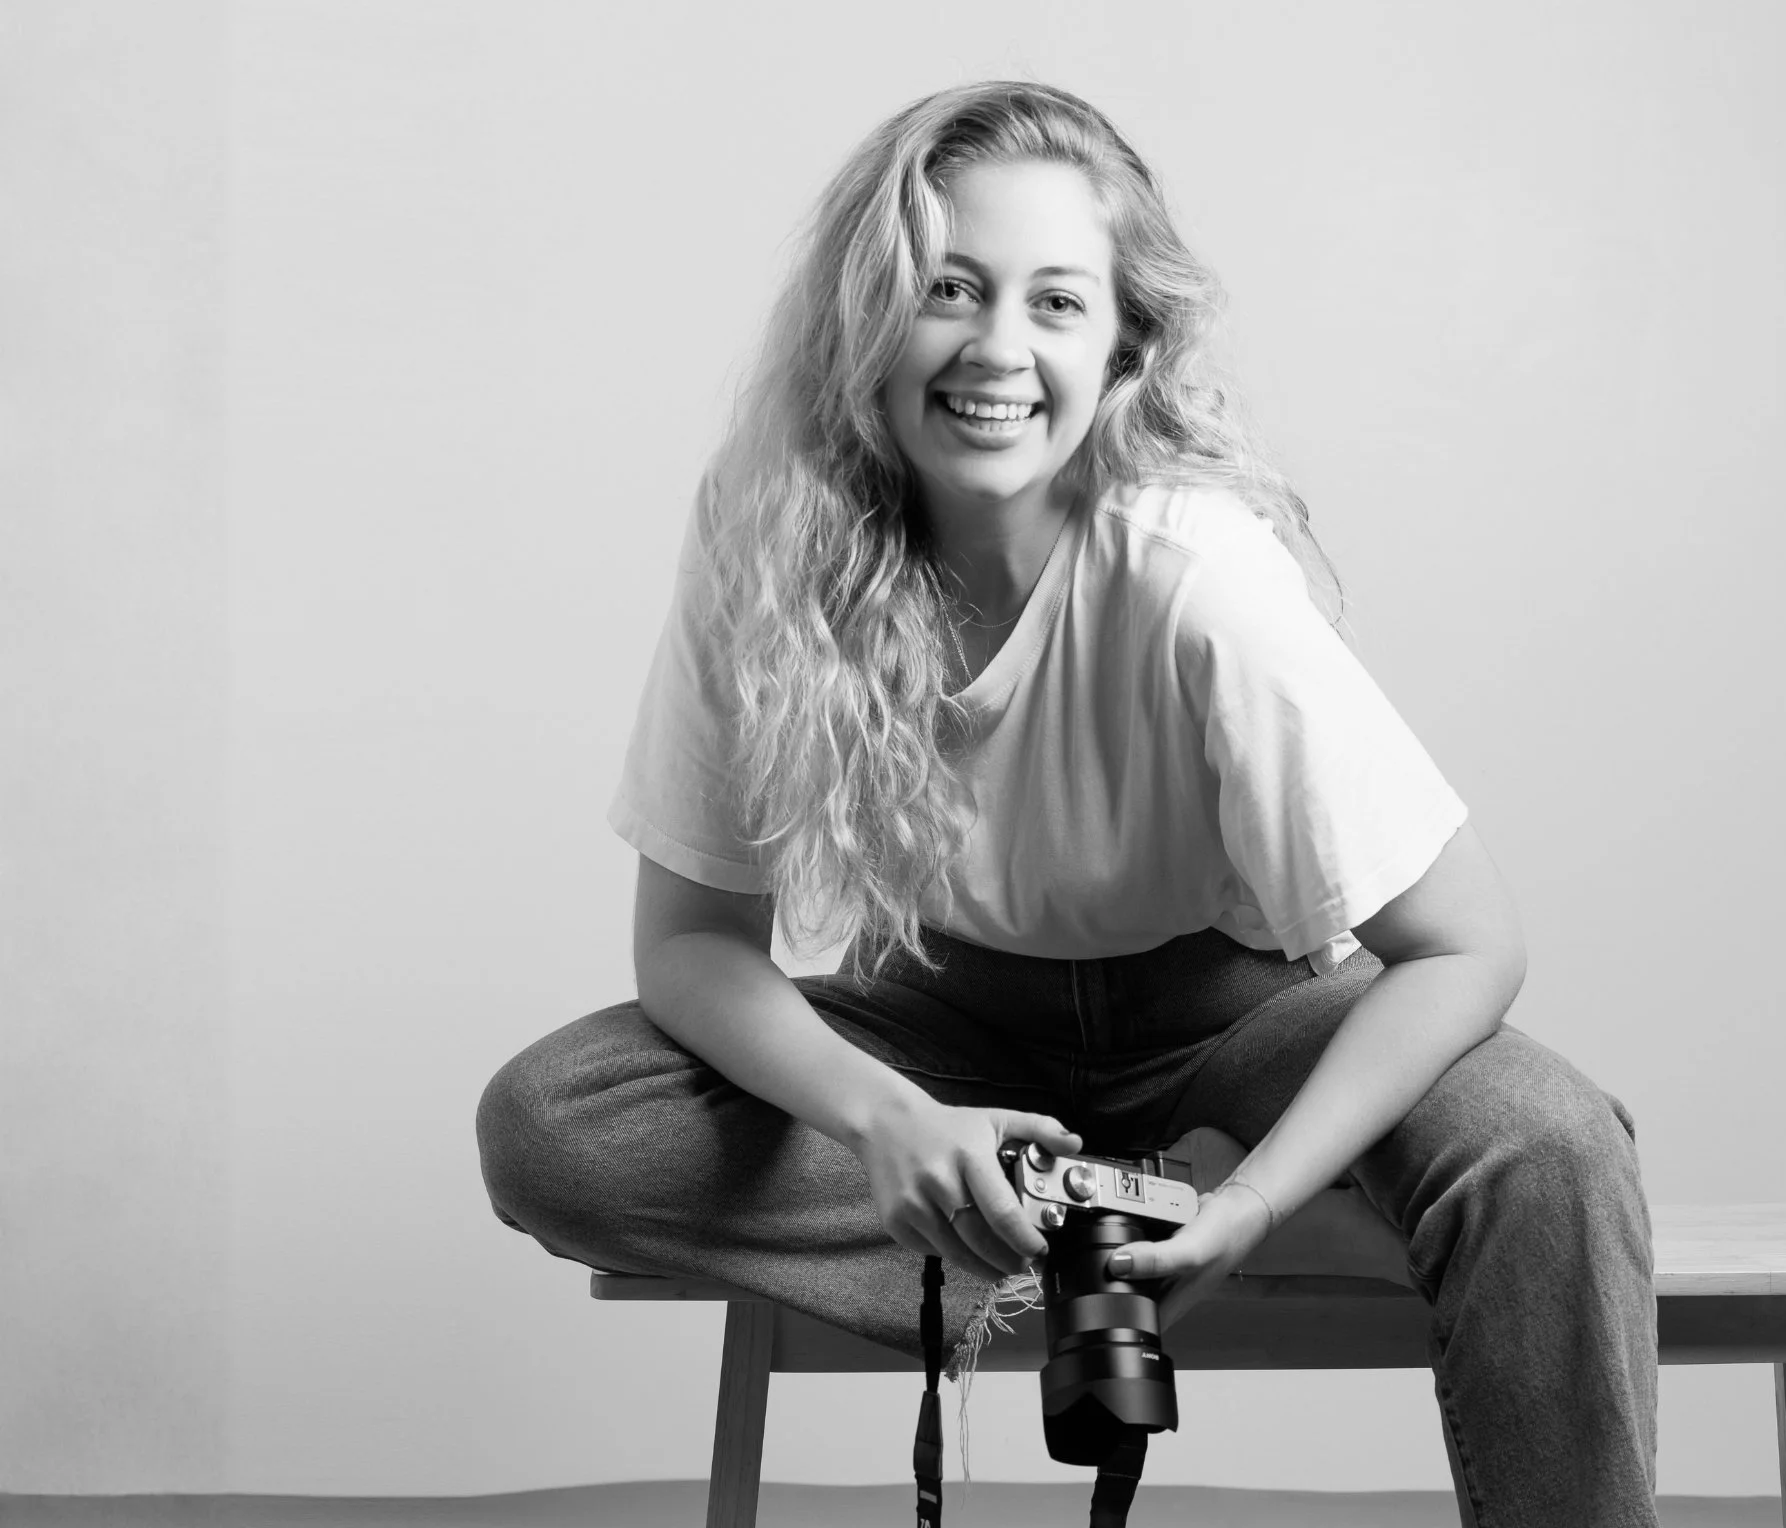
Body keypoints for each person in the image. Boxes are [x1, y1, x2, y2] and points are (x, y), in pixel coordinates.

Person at [477, 80, 1658, 1524]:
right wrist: (890, 1118)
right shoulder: (769, 534)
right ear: (871, 313)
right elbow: (691, 945)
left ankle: (1138, 1196)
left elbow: (1469, 943)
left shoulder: (1193, 572)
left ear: (1121, 348)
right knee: (554, 1122)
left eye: (1054, 303)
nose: (996, 349)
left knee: (1549, 1144)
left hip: (1231, 1018)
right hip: (941, 1020)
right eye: (950, 288)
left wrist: (1255, 1202)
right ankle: (1087, 1199)